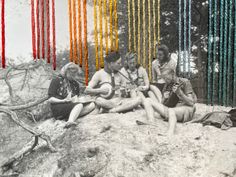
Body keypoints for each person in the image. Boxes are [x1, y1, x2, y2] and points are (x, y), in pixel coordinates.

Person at [148, 69, 197, 136]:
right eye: (164, 78)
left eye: (166, 78)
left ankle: (169, 133)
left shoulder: (184, 82)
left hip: (186, 109)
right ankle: (151, 122)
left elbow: (191, 103)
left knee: (171, 110)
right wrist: (164, 99)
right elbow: (164, 105)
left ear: (173, 75)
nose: (165, 80)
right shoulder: (167, 85)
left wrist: (180, 93)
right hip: (174, 110)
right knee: (148, 100)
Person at [48, 62, 95, 128]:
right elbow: (50, 99)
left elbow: (75, 98)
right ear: (66, 72)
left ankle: (70, 116)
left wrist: (84, 99)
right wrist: (63, 101)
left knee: (91, 105)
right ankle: (70, 122)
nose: (74, 77)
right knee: (79, 105)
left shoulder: (75, 84)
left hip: (71, 106)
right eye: (72, 75)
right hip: (58, 106)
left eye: (75, 75)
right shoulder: (56, 80)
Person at [119, 52, 159, 122]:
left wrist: (143, 87)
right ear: (127, 62)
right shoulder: (123, 71)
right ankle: (141, 107)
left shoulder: (141, 70)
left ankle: (157, 107)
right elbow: (123, 86)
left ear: (136, 61)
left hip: (143, 91)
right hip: (131, 94)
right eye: (130, 63)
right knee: (134, 92)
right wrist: (130, 88)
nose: (132, 65)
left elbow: (147, 84)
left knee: (150, 92)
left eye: (134, 62)